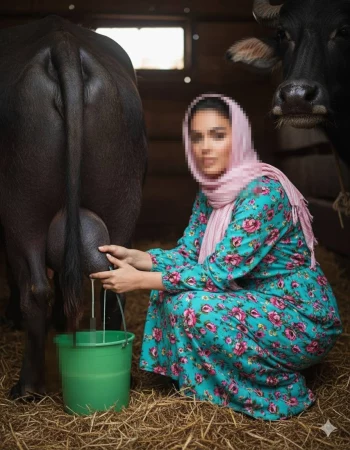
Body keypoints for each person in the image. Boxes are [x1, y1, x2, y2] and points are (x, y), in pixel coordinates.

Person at [90, 93, 342, 420]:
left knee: (193, 306)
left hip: (298, 315)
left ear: (238, 137)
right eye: (196, 137)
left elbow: (219, 273)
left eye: (217, 135)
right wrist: (140, 258)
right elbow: (189, 253)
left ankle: (277, 390)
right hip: (253, 301)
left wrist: (139, 280)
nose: (205, 147)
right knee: (172, 295)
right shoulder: (211, 190)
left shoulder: (263, 191)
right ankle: (209, 389)